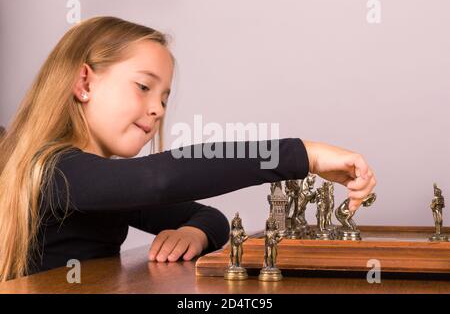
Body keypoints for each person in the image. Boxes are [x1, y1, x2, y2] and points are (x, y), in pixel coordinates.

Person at [0, 16, 376, 282]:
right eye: (144, 87)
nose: (158, 109)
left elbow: (209, 217)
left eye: (164, 97)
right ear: (84, 82)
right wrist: (303, 156)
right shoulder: (53, 171)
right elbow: (158, 180)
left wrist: (195, 233)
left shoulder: (105, 186)